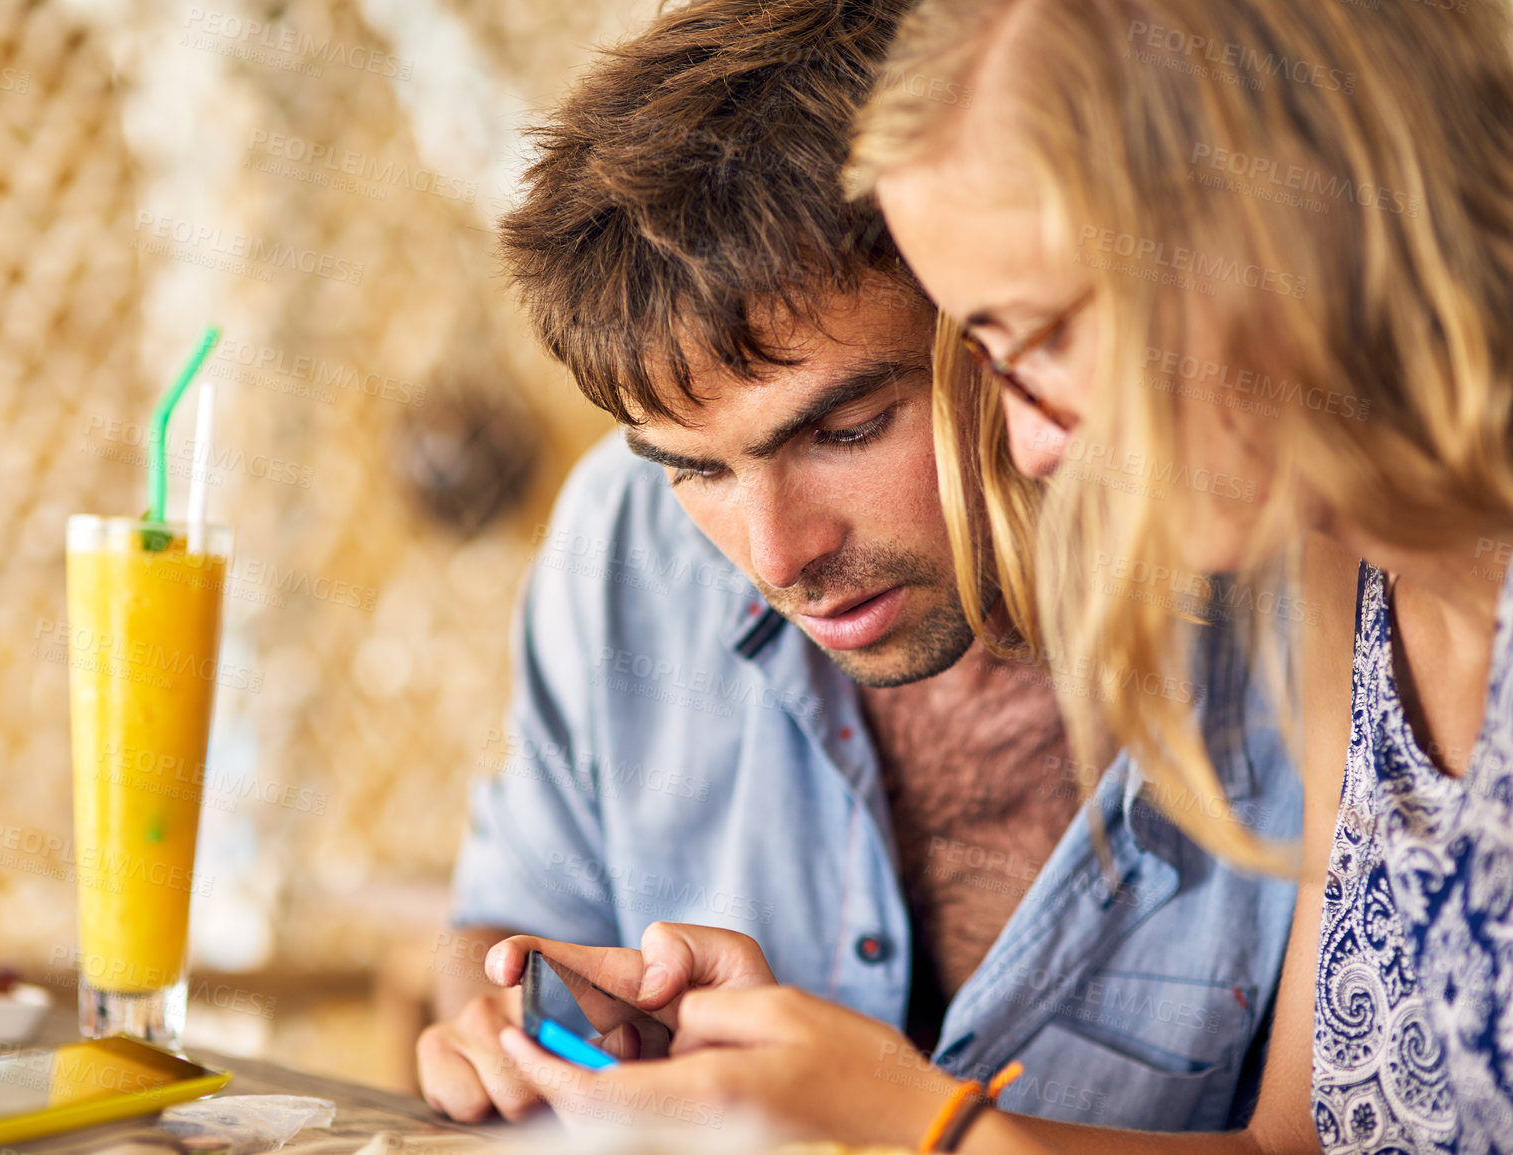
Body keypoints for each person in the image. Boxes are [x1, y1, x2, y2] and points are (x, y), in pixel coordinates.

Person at [490, 0, 1513, 1151]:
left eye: (852, 428)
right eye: (693, 472)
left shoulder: (1299, 571)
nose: (777, 558)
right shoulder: (1363, 596)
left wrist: (909, 1124)